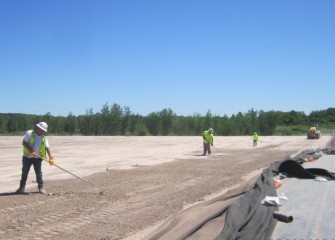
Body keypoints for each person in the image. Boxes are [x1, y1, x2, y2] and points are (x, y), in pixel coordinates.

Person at [16, 122, 55, 194]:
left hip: (37, 158)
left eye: (44, 130)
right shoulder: (29, 133)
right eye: (42, 130)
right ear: (38, 128)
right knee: (25, 172)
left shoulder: (43, 138)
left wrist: (51, 157)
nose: (43, 131)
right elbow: (24, 142)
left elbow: (47, 148)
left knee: (38, 173)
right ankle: (21, 188)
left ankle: (41, 187)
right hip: (27, 157)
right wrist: (30, 150)